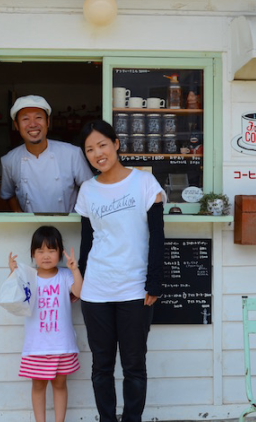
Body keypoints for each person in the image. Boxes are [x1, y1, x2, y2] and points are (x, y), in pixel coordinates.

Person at [74, 119, 165, 422]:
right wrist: (81, 282)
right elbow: (88, 241)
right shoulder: (88, 190)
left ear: (116, 144)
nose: (97, 153)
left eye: (102, 145)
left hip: (134, 288)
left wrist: (154, 283)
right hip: (96, 289)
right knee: (101, 366)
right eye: (90, 150)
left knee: (134, 366)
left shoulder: (144, 183)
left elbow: (157, 235)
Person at [9, 225, 84, 422]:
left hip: (62, 344)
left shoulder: (65, 275)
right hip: (37, 346)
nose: (46, 255)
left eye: (51, 250)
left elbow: (79, 292)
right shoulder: (28, 277)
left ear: (60, 252)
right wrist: (13, 274)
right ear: (33, 253)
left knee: (60, 385)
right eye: (40, 251)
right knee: (38, 386)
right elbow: (12, 297)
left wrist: (75, 270)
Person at [0, 95, 93, 213]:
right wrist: (20, 216)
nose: (33, 124)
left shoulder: (72, 154)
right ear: (17, 125)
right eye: (25, 119)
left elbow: (91, 189)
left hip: (69, 227)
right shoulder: (9, 160)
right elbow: (8, 194)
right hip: (30, 228)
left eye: (38, 117)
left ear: (48, 122)